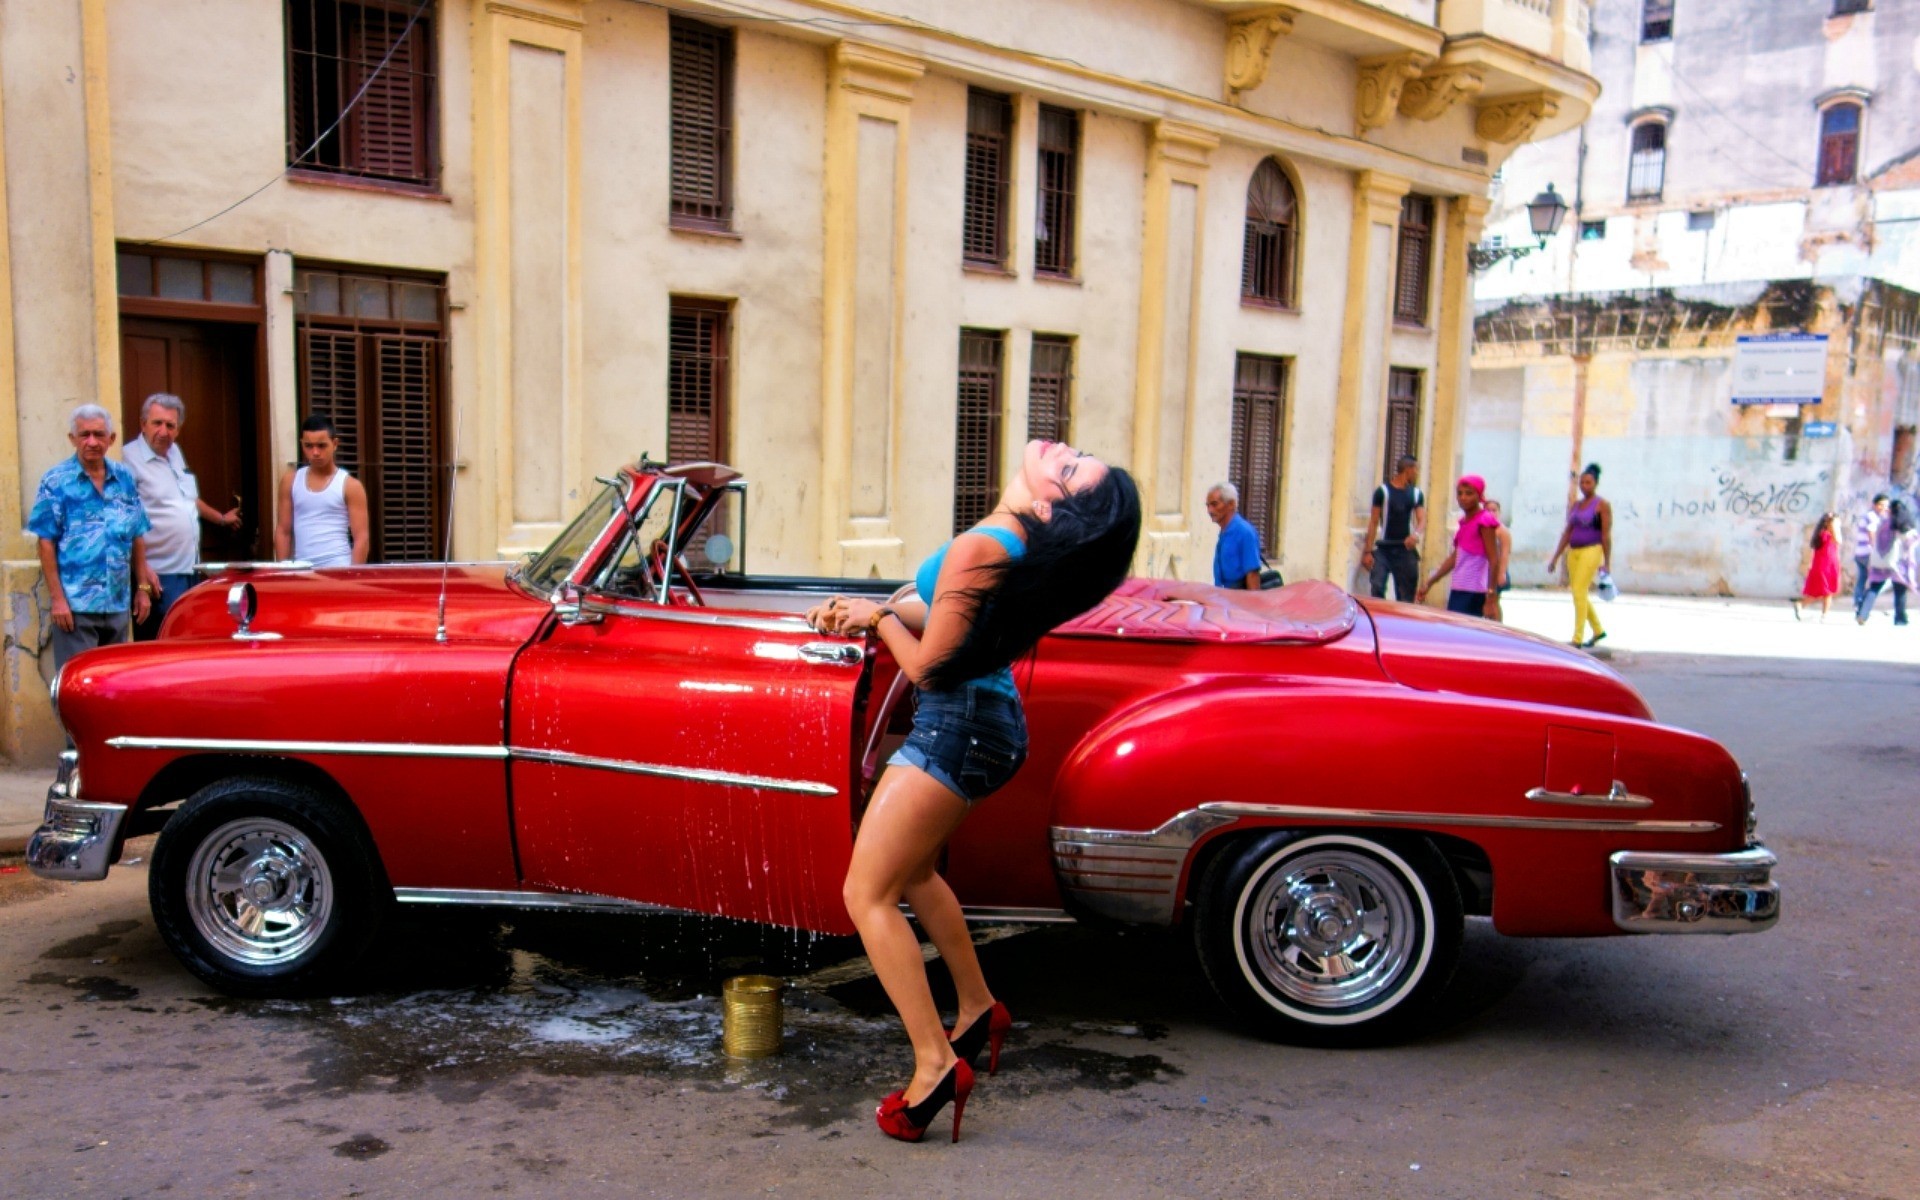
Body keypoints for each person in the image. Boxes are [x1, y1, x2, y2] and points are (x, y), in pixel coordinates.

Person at [806, 439, 1140, 1144]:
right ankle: (978, 1006)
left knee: (866, 895)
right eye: (1076, 454)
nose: (1062, 449)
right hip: (987, 723)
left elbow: (931, 669)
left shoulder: (987, 546)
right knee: (914, 873)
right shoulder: (1008, 545)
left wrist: (877, 619)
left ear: (1049, 507)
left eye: (1069, 468)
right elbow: (951, 626)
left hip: (956, 726)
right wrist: (878, 611)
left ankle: (934, 1067)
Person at [28, 405, 153, 673]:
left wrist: (142, 589)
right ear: (72, 439)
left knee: (114, 680)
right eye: (85, 435)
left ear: (112, 438)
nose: (92, 442)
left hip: (118, 603)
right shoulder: (56, 481)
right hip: (76, 607)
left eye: (99, 434)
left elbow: (137, 533)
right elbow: (45, 542)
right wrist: (58, 599)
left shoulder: (124, 478)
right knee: (77, 681)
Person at [124, 393, 243, 639]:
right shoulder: (127, 459)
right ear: (143, 424)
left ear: (178, 429)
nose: (164, 432)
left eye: (170, 425)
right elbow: (125, 519)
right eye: (157, 423)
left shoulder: (174, 452)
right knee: (161, 643)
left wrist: (220, 519)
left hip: (189, 569)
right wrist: (142, 569)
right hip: (158, 575)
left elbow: (188, 500)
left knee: (186, 639)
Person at [274, 415, 369, 568]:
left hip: (338, 567)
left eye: (321, 446)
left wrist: (352, 575)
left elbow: (361, 538)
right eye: (308, 446)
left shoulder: (350, 486)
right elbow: (283, 531)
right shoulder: (290, 481)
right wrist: (282, 571)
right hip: (302, 568)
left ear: (335, 444)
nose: (315, 452)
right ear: (302, 444)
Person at [1414, 475, 1501, 621]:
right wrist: (1430, 582)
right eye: (1460, 493)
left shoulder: (1484, 520)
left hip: (1474, 590)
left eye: (1469, 493)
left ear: (1479, 495)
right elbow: (1456, 557)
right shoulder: (1464, 522)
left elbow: (1494, 560)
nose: (1463, 498)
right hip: (1458, 588)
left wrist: (1491, 595)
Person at [1546, 462, 1613, 649]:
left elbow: (1606, 535)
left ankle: (1577, 638)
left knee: (1579, 591)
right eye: (1582, 483)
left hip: (1592, 550)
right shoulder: (1576, 505)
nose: (1584, 486)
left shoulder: (1602, 505)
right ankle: (1598, 630)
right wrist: (1556, 557)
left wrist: (1607, 562)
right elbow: (1567, 531)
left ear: (1596, 483)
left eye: (1588, 482)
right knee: (1579, 592)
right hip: (1573, 552)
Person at [1360, 455, 1425, 601]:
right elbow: (1374, 521)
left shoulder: (1416, 494)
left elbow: (1422, 519)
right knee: (1377, 586)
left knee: (1406, 595)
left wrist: (1415, 535)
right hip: (1384, 549)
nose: (1416, 473)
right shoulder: (1382, 492)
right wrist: (1368, 552)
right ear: (1408, 470)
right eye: (1416, 469)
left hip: (1405, 550)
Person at [1855, 499, 1918, 626]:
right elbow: (1910, 543)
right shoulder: (1903, 526)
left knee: (1874, 588)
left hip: (1880, 561)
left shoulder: (1883, 523)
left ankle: (1863, 614)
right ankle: (1900, 618)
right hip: (1897, 564)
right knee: (1900, 591)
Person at [1204, 481, 1261, 590]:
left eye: (1214, 504)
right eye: (1208, 505)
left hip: (1239, 596)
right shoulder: (1224, 532)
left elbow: (1252, 574)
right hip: (1224, 595)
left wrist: (1253, 600)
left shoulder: (1244, 532)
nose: (1209, 510)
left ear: (1231, 504)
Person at [1791, 512, 1842, 622]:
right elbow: (1839, 540)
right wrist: (1835, 526)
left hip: (1821, 565)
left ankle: (1801, 605)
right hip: (1827, 565)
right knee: (1827, 592)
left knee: (1818, 592)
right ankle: (1824, 615)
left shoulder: (1820, 534)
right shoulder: (1828, 534)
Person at [1851, 493, 1890, 614]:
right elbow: (1871, 534)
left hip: (1860, 553)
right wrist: (1877, 552)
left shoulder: (1869, 516)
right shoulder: (1872, 516)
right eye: (1881, 505)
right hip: (1869, 554)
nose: (1884, 508)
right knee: (1880, 580)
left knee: (1862, 579)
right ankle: (1863, 603)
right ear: (1874, 505)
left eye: (1886, 506)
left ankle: (1858, 603)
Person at [1482, 498, 1514, 622]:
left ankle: (1497, 625)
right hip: (1483, 570)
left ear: (1499, 512)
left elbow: (1505, 554)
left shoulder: (1502, 531)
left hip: (1496, 570)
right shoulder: (1482, 528)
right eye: (1488, 510)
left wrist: (1502, 573)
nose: (1491, 513)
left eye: (1494, 510)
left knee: (1494, 600)